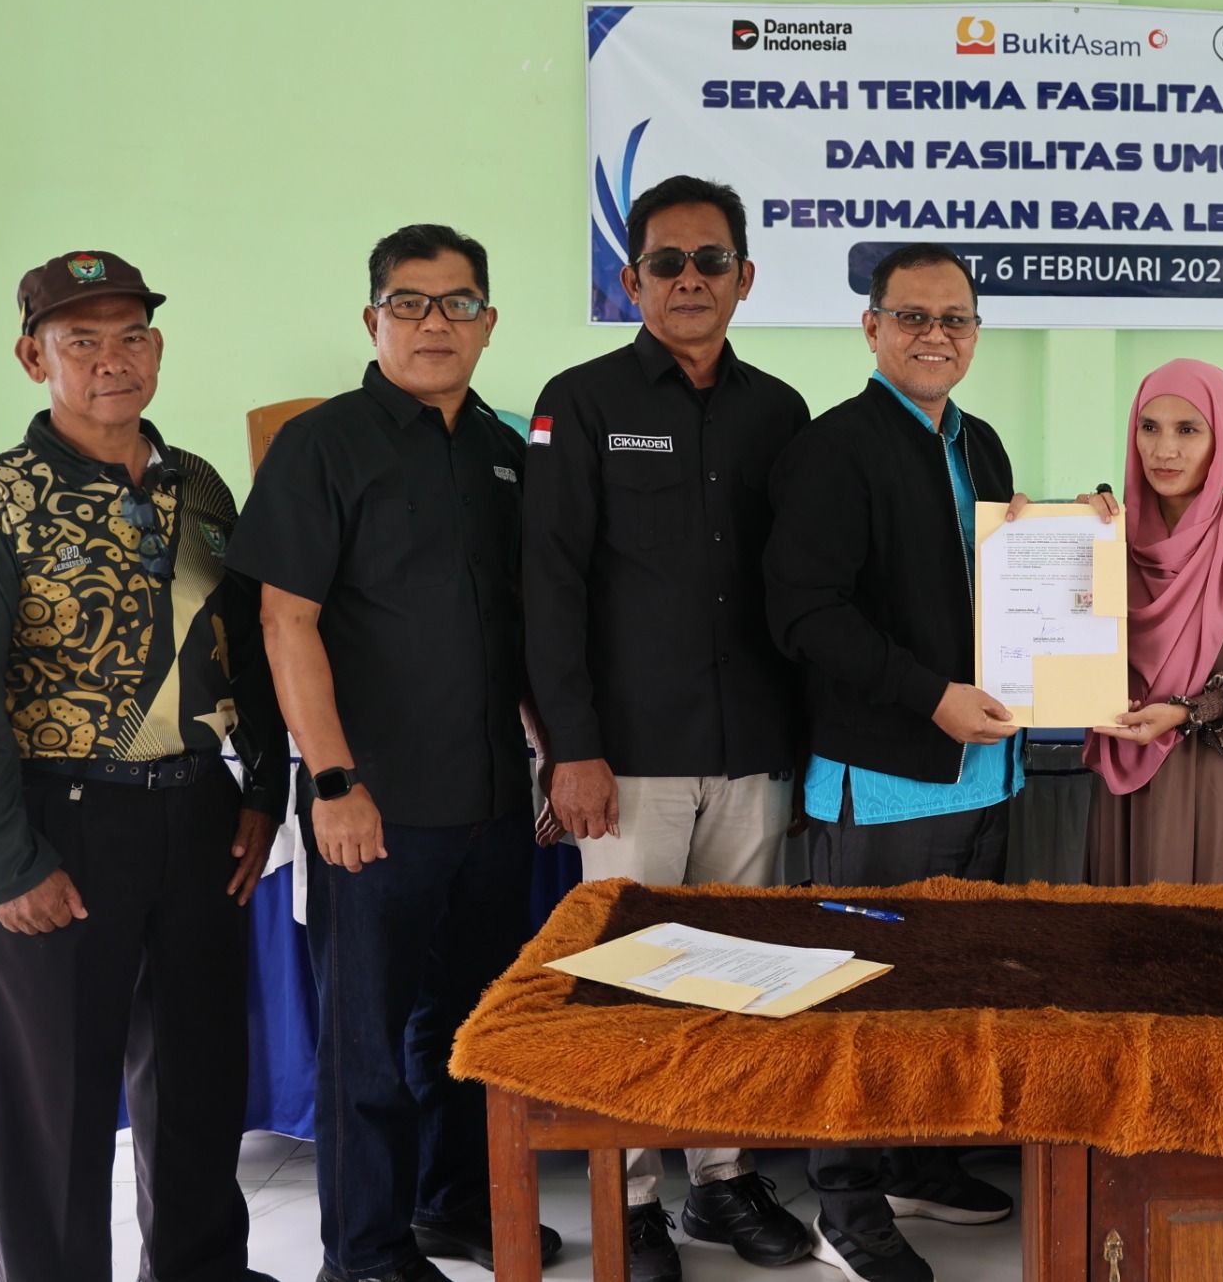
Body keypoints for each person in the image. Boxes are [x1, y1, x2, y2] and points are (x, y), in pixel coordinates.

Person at [0, 250, 286, 1282]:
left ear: (157, 349)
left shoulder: (198, 485)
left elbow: (249, 647)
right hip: (62, 820)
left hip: (200, 813)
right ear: (32, 356)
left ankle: (200, 1267)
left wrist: (265, 788)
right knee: (59, 1095)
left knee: (199, 1074)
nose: (110, 360)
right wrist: (11, 859)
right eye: (80, 340)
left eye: (131, 336)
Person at [227, 224, 552, 1282]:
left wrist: (549, 754)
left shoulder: (503, 451)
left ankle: (452, 1204)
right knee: (366, 1043)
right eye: (409, 303)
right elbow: (285, 622)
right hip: (373, 803)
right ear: (373, 320)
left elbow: (519, 625)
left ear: (488, 323)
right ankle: (364, 1253)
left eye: (458, 303)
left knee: (468, 1027)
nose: (433, 323)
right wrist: (332, 781)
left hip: (492, 800)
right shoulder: (323, 445)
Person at [525, 176, 814, 1280]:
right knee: (630, 976)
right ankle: (632, 1195)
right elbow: (549, 584)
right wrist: (571, 747)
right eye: (666, 262)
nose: (689, 280)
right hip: (627, 755)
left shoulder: (779, 411)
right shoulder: (581, 401)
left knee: (736, 973)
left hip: (753, 748)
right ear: (631, 278)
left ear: (745, 277)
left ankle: (722, 1180)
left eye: (711, 260)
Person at [762, 242, 1023, 1282]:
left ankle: (915, 1161)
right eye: (912, 316)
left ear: (975, 334)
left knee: (946, 987)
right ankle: (845, 1202)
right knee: (859, 998)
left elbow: (1002, 587)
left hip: (983, 773)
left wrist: (1076, 542)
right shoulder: (833, 449)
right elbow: (804, 615)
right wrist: (929, 696)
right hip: (880, 783)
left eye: (955, 318)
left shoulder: (980, 444)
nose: (935, 335)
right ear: (871, 328)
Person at [1081, 359, 1223, 883]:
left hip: (1208, 779)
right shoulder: (1105, 537)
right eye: (1149, 427)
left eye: (1187, 430)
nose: (1164, 450)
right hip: (1121, 779)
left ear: (1221, 439)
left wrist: (1186, 712)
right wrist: (1059, 535)